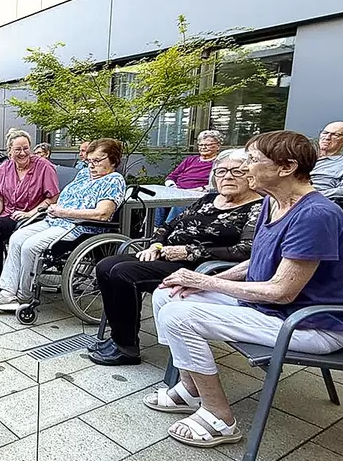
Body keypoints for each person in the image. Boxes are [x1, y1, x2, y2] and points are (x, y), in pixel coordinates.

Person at [147, 130, 343, 448]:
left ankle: (220, 418)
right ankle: (189, 389)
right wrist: (203, 283)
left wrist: (203, 280)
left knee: (179, 315)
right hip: (269, 309)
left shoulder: (316, 215)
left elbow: (282, 291)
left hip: (310, 323)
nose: (245, 168)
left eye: (253, 161)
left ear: (285, 167)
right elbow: (257, 262)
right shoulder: (274, 202)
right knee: (167, 294)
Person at [90, 149, 262, 366]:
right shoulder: (208, 199)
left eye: (237, 172)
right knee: (106, 265)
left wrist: (190, 251)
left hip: (199, 268)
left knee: (123, 273)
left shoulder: (256, 208)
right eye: (221, 171)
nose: (227, 177)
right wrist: (155, 244)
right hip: (167, 256)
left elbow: (245, 250)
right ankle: (118, 336)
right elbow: (169, 225)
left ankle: (126, 347)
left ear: (251, 175)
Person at [0, 138, 127, 312]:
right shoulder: (83, 174)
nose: (91, 165)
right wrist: (55, 209)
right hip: (55, 220)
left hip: (79, 227)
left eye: (97, 161)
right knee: (16, 238)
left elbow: (102, 214)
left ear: (112, 160)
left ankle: (24, 296)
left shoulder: (114, 180)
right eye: (89, 161)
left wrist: (64, 212)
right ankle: (7, 291)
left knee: (30, 246)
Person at [0, 130, 60, 292]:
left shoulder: (43, 166)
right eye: (18, 149)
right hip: (7, 212)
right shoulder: (5, 167)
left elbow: (53, 198)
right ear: (10, 151)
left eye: (26, 148)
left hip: (31, 216)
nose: (22, 153)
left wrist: (30, 213)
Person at [156, 130, 223, 226]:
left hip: (197, 194)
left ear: (218, 146)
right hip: (177, 190)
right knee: (158, 200)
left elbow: (218, 183)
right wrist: (172, 187)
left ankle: (168, 228)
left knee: (180, 203)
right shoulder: (190, 160)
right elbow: (171, 176)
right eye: (200, 145)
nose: (203, 147)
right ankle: (154, 228)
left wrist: (202, 189)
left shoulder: (220, 163)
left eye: (207, 145)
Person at [311, 121, 343, 206]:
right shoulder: (303, 156)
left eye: (335, 135)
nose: (327, 137)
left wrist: (312, 195)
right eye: (325, 133)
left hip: (317, 204)